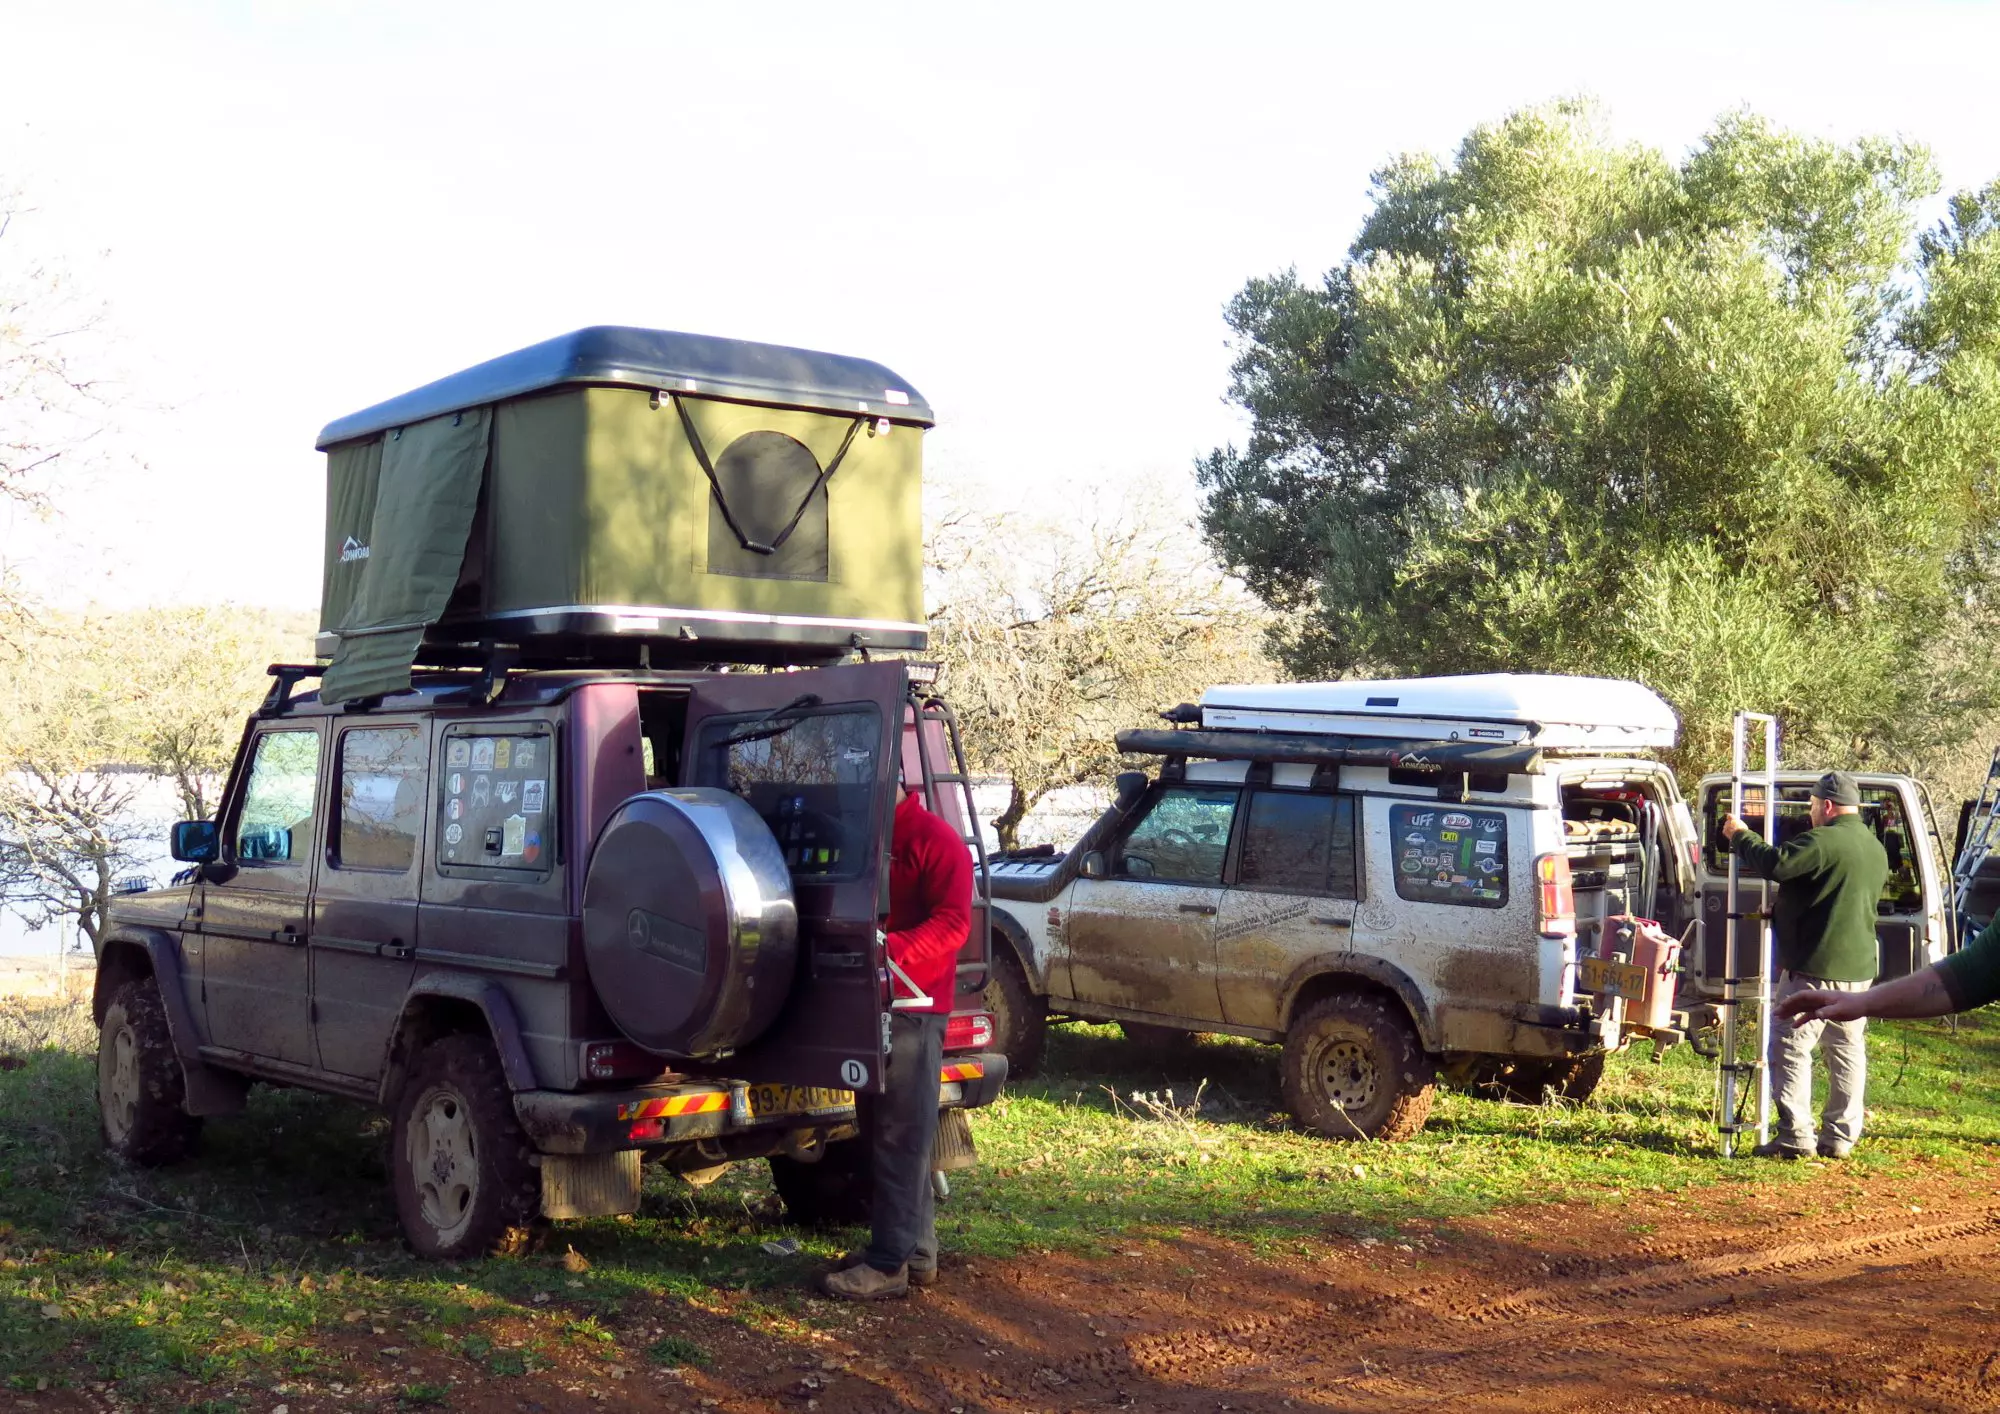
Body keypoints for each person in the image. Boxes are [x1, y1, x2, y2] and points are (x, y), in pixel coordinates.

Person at [821, 780, 972, 1300]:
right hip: (875, 1003)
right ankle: (916, 1252)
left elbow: (954, 924)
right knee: (887, 1132)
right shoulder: (865, 842)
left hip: (915, 1009)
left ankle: (888, 1265)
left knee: (900, 1136)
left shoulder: (936, 841)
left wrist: (888, 950)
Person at [1721, 770, 1888, 1160]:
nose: (1811, 814)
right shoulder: (1872, 846)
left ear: (1826, 806)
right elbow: (1832, 896)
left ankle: (1795, 1137)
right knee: (1846, 1051)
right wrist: (1781, 911)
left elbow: (1778, 865)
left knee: (1791, 1046)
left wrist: (1740, 835)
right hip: (1858, 970)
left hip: (1813, 969)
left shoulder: (1824, 840)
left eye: (1813, 807)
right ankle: (1841, 1137)